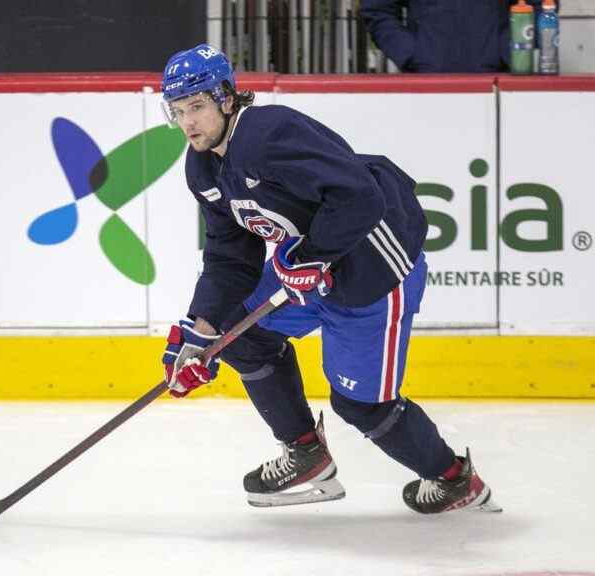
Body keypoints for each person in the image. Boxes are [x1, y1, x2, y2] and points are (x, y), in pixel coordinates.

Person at [159, 43, 501, 514]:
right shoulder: (202, 167)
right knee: (239, 336)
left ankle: (453, 480)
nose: (188, 122)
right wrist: (201, 329)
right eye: (177, 111)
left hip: (372, 272)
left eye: (196, 106)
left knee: (361, 406)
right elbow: (229, 254)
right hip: (309, 271)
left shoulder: (269, 132)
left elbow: (360, 196)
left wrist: (310, 257)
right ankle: (306, 454)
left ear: (225, 97)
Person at [360, 0, 557, 73]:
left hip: (499, 85)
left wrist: (505, 53)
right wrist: (411, 55)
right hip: (425, 86)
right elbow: (378, 10)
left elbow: (542, 6)